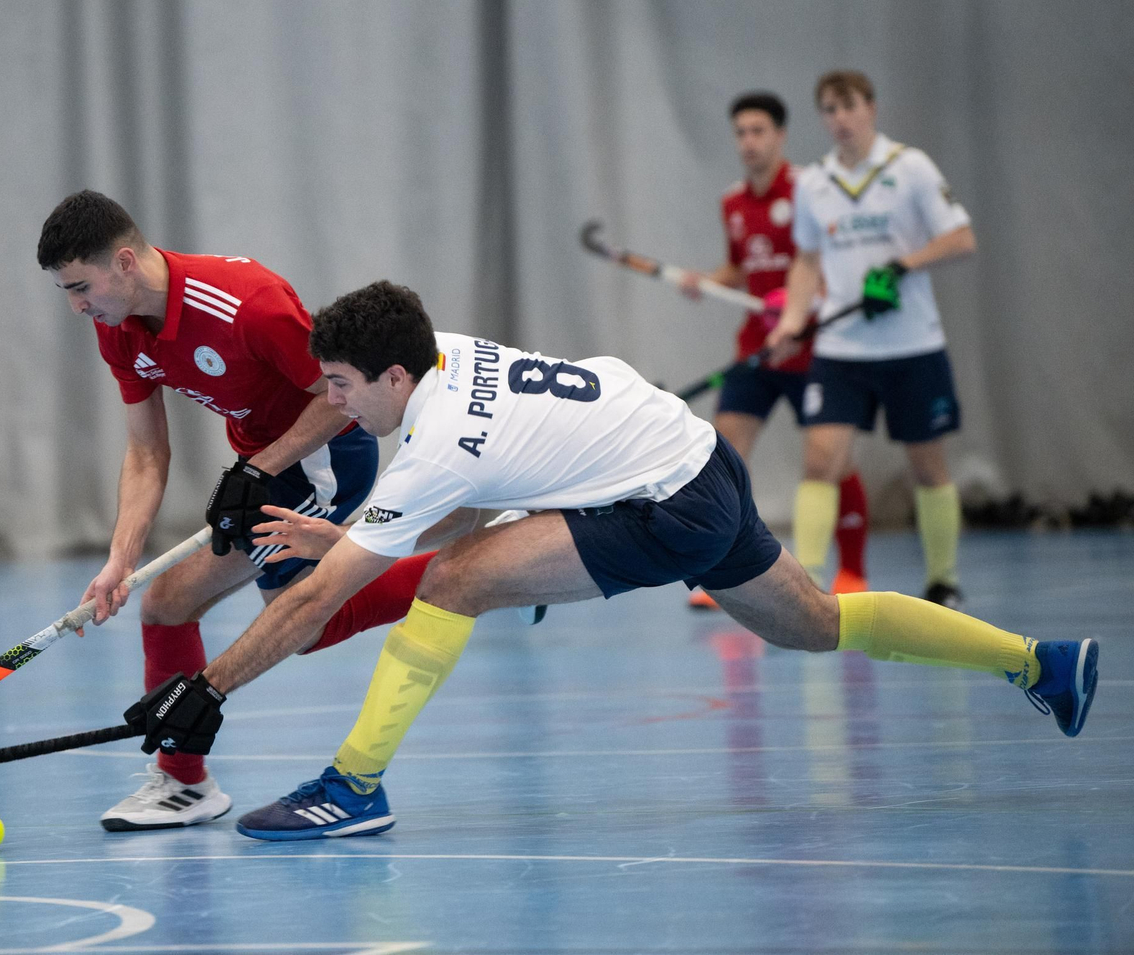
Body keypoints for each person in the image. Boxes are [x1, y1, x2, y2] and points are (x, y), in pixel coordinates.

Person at [120, 280, 1098, 841]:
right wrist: (336, 516)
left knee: (460, 583)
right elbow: (489, 484)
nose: (331, 404)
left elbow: (317, 601)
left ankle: (354, 785)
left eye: (339, 388)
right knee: (818, 625)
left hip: (657, 506)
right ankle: (1036, 661)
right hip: (692, 458)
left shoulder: (431, 441)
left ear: (393, 376)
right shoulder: (442, 355)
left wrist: (207, 686)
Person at [37, 191, 459, 832]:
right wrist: (120, 559)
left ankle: (464, 566)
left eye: (79, 287)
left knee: (303, 625)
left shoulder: (247, 303)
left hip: (324, 456)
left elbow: (337, 394)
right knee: (165, 601)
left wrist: (261, 467)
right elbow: (148, 452)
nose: (76, 305)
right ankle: (184, 784)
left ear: (123, 262)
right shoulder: (115, 326)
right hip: (260, 469)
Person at [766, 70, 974, 606]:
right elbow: (808, 259)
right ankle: (806, 585)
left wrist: (903, 265)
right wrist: (792, 321)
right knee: (820, 460)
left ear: (871, 108)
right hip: (843, 350)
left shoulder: (910, 168)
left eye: (848, 106)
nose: (839, 119)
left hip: (913, 346)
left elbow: (960, 237)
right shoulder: (813, 184)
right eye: (828, 110)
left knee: (927, 466)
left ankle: (943, 579)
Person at [677, 91, 869, 607]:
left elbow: (834, 264)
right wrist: (707, 281)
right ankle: (725, 573)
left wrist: (802, 308)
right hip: (757, 350)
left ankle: (851, 569)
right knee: (721, 456)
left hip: (813, 351)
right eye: (741, 132)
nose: (749, 142)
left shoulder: (812, 190)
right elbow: (740, 267)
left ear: (781, 135)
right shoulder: (732, 201)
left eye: (759, 131)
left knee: (831, 461)